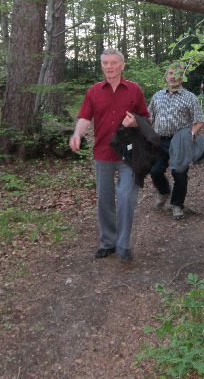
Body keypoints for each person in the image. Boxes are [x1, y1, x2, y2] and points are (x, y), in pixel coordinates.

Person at [69, 49, 149, 262]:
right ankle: (108, 242)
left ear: (122, 65)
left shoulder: (134, 90)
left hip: (129, 153)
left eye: (114, 63)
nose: (109, 67)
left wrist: (135, 122)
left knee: (125, 197)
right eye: (105, 63)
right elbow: (85, 117)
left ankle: (123, 244)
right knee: (104, 200)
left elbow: (145, 118)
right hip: (103, 152)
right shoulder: (94, 91)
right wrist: (77, 134)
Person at [149, 63, 204, 220]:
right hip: (160, 140)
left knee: (179, 174)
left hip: (180, 141)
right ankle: (164, 191)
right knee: (154, 171)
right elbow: (149, 117)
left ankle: (177, 204)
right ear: (166, 76)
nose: (173, 77)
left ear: (183, 77)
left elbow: (199, 120)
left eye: (178, 74)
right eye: (171, 73)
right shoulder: (157, 96)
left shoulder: (190, 97)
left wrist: (191, 135)